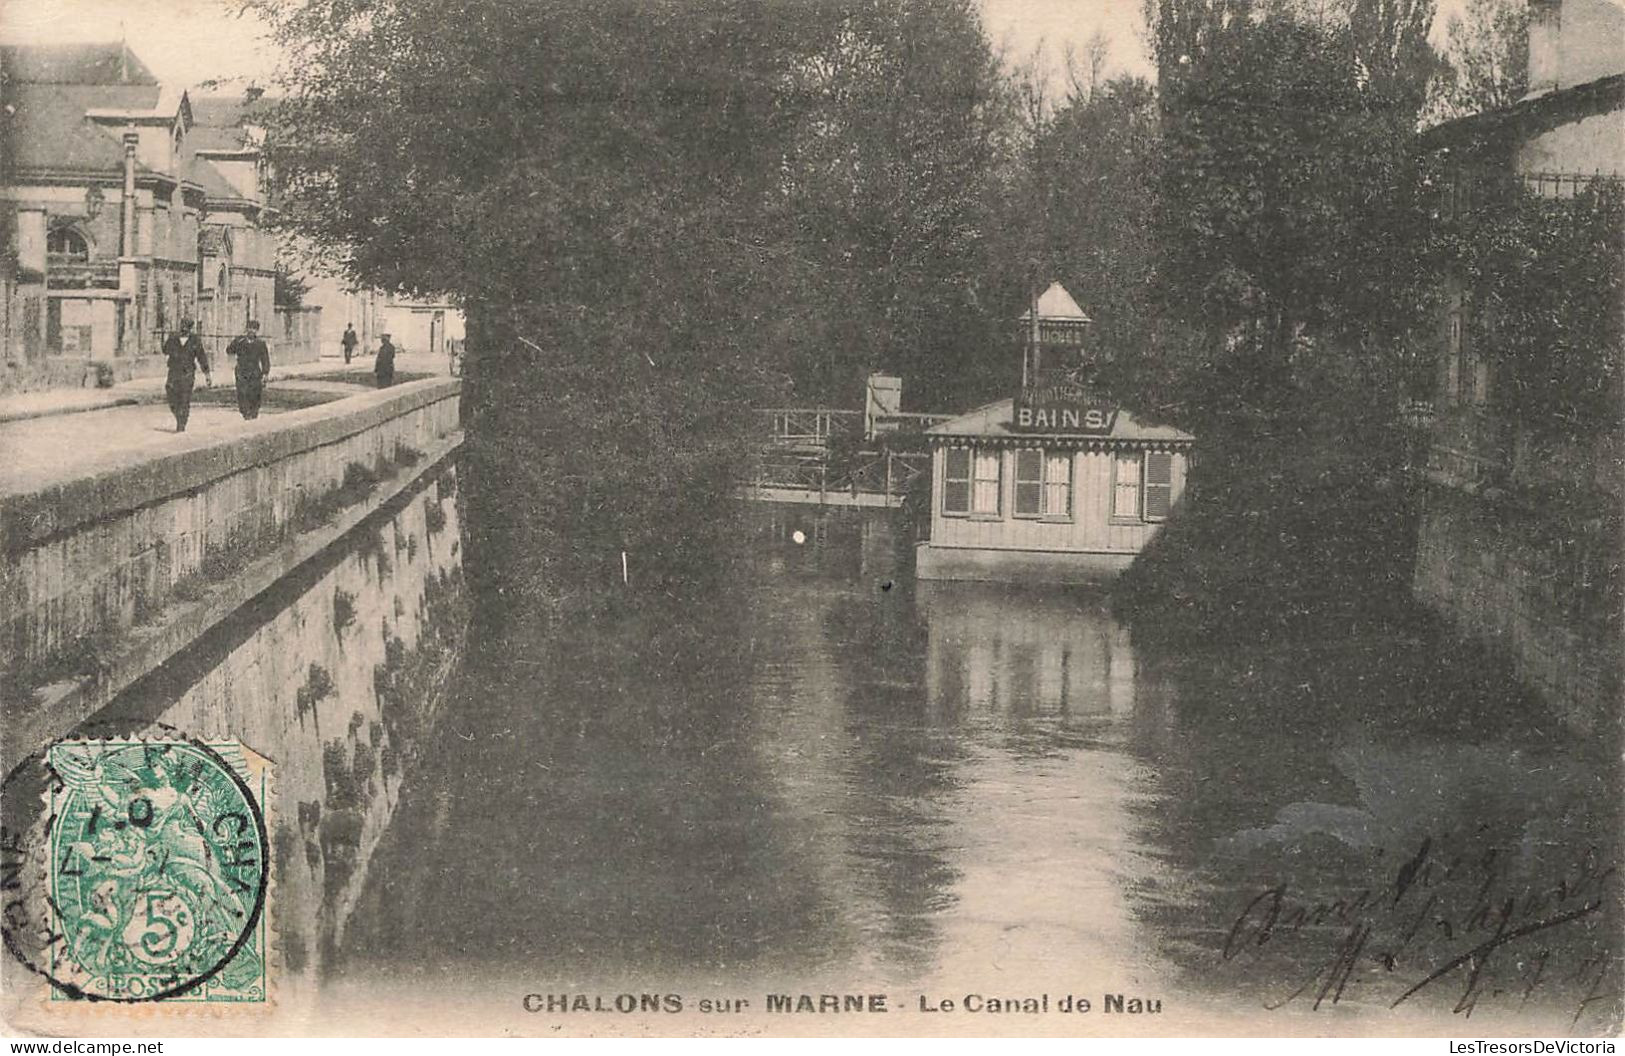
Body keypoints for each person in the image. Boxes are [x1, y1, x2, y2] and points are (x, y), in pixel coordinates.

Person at [162, 318, 210, 432]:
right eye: (182, 325)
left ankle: (181, 423)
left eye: (186, 326)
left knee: (184, 398)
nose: (183, 328)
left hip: (187, 373)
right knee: (171, 394)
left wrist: (207, 374)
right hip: (173, 372)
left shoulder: (195, 340)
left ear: (190, 328)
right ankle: (178, 415)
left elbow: (201, 357)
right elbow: (165, 350)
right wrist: (168, 338)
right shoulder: (173, 338)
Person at [227, 319, 272, 420]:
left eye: (254, 329)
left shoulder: (260, 344)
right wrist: (235, 341)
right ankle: (245, 414)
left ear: (257, 331)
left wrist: (265, 373)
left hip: (255, 372)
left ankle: (254, 413)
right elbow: (229, 350)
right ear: (246, 329)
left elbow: (265, 359)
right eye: (250, 328)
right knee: (242, 393)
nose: (252, 331)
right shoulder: (240, 342)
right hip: (241, 372)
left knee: (255, 394)